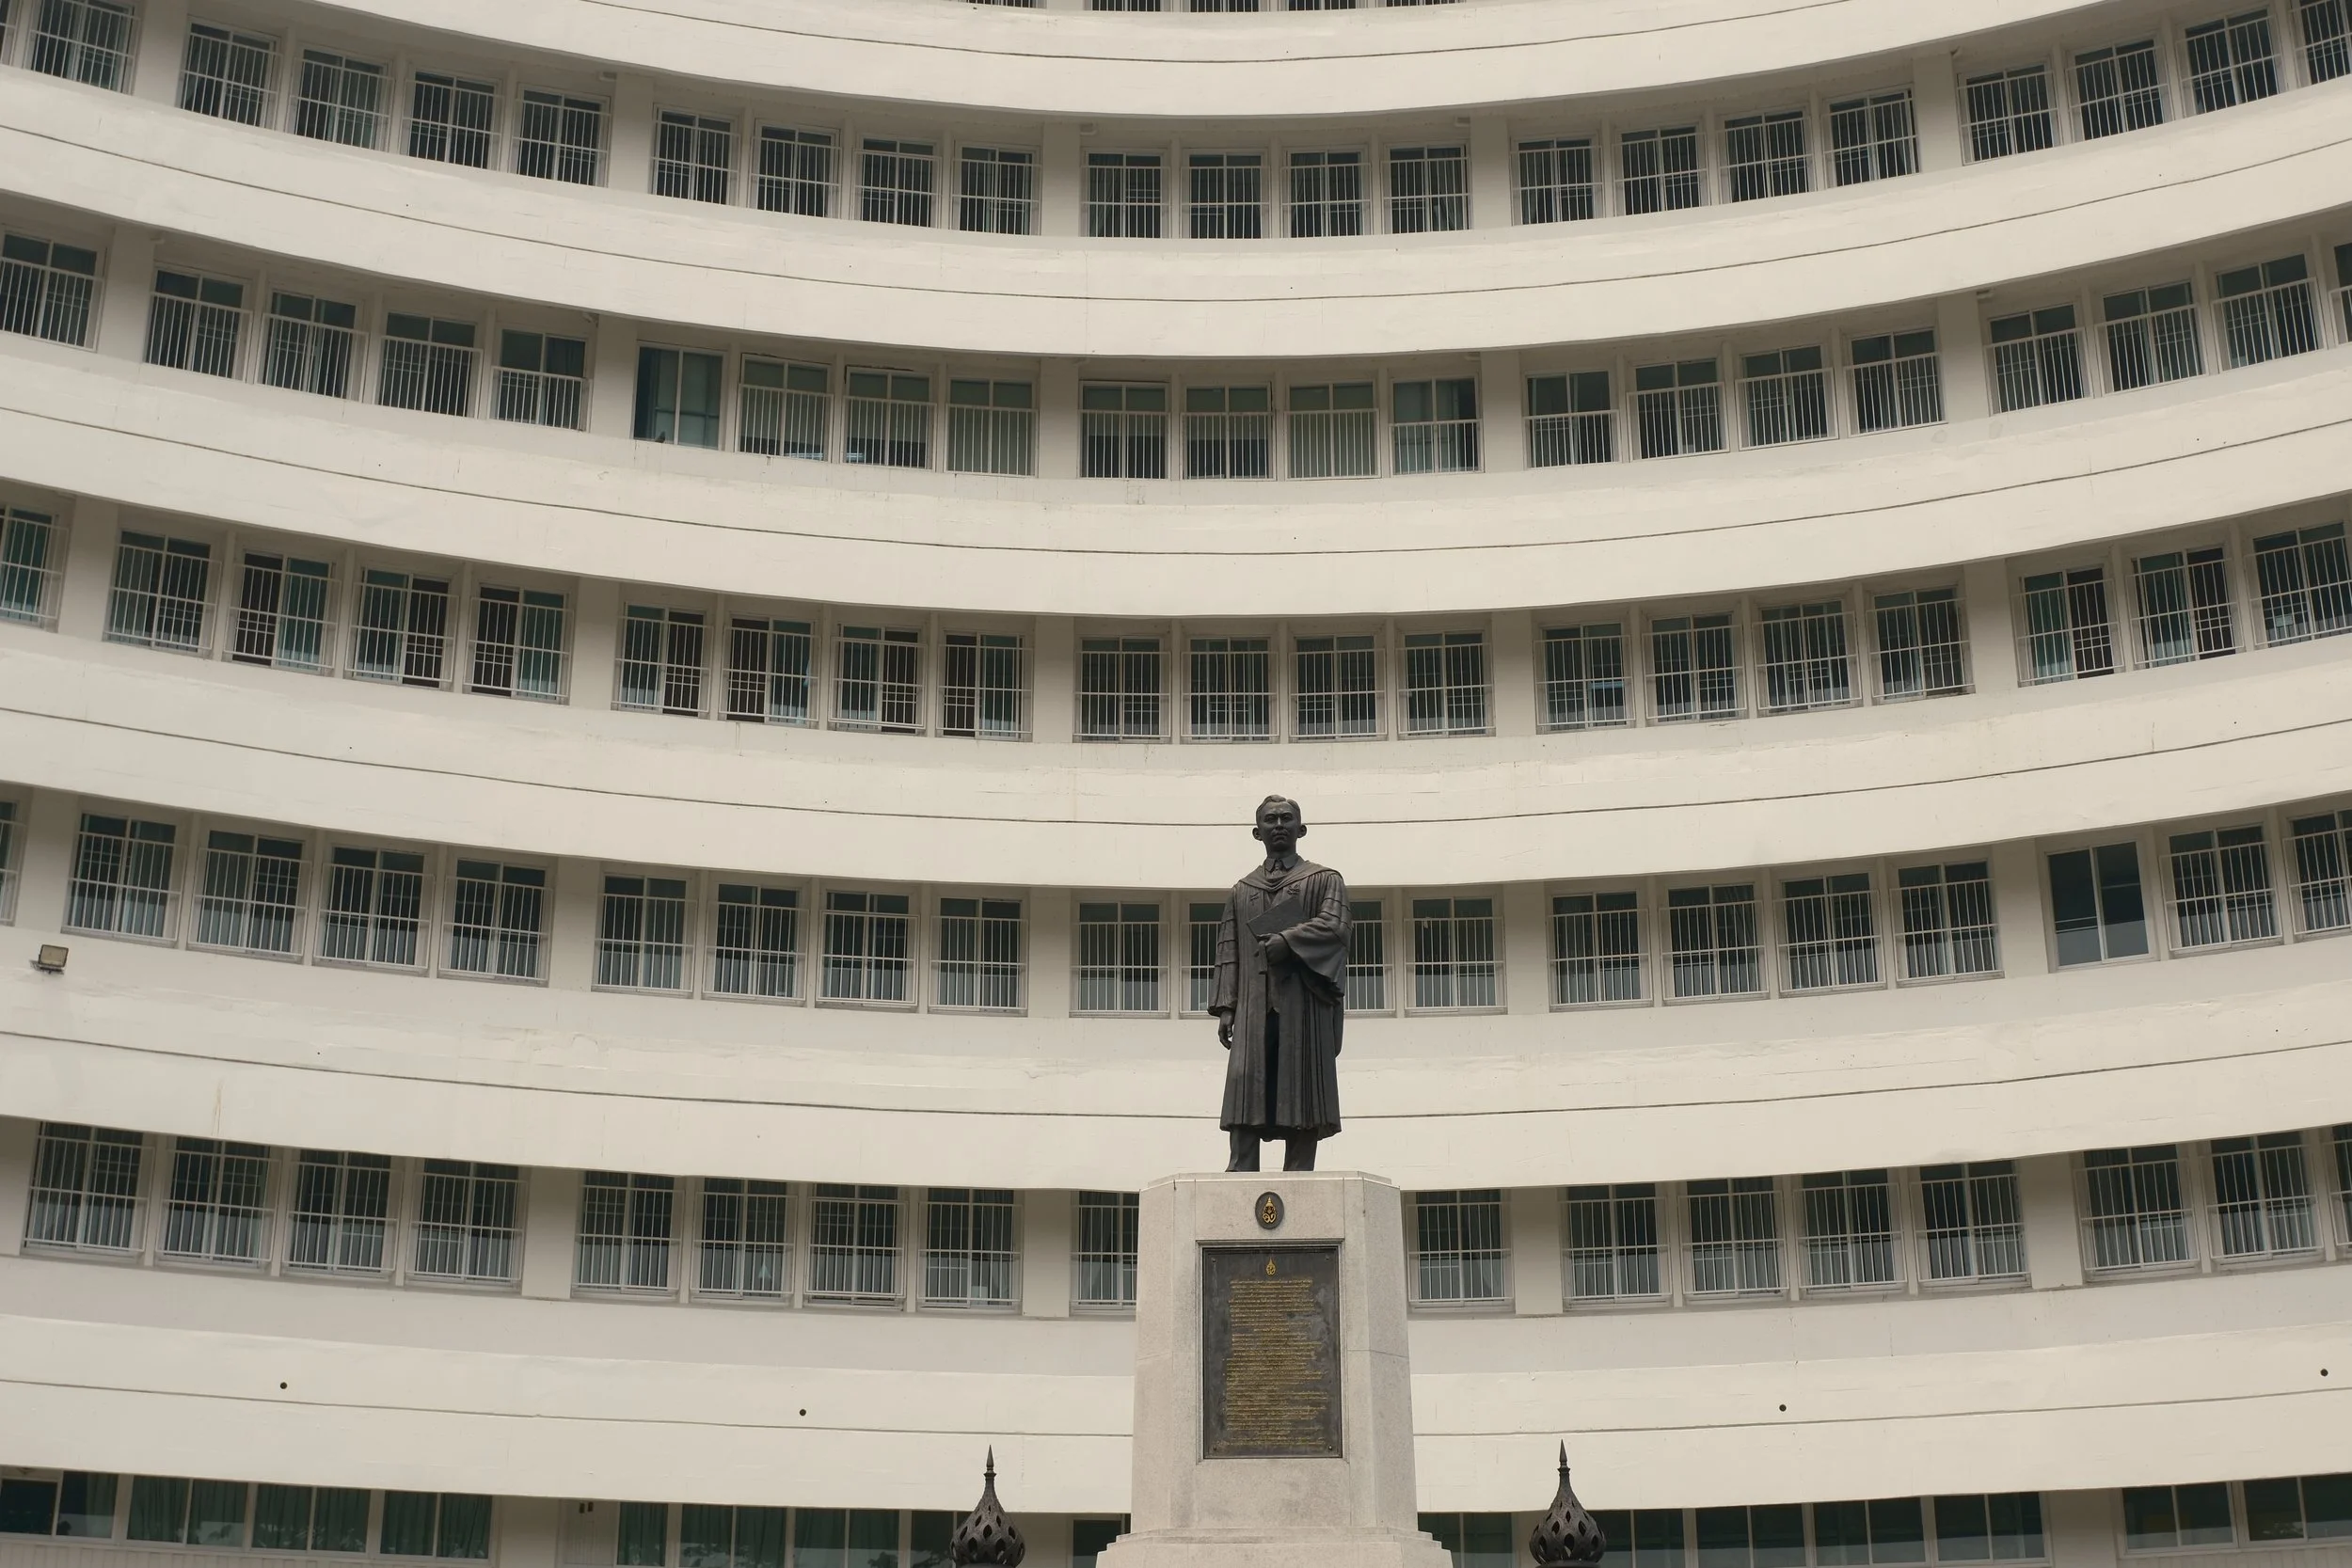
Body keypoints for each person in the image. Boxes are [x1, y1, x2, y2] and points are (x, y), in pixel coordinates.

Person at [1210, 796, 1349, 1172]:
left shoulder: (1323, 880)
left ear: (1301, 829)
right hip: (1253, 1006)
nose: (1279, 825)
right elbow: (1230, 948)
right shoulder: (1242, 890)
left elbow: (1335, 927)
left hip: (1302, 1002)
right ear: (1258, 832)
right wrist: (1226, 1006)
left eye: (1287, 819)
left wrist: (1288, 942)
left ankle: (1300, 1172)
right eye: (1270, 820)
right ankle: (1241, 1167)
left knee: (1301, 1081)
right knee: (1245, 1084)